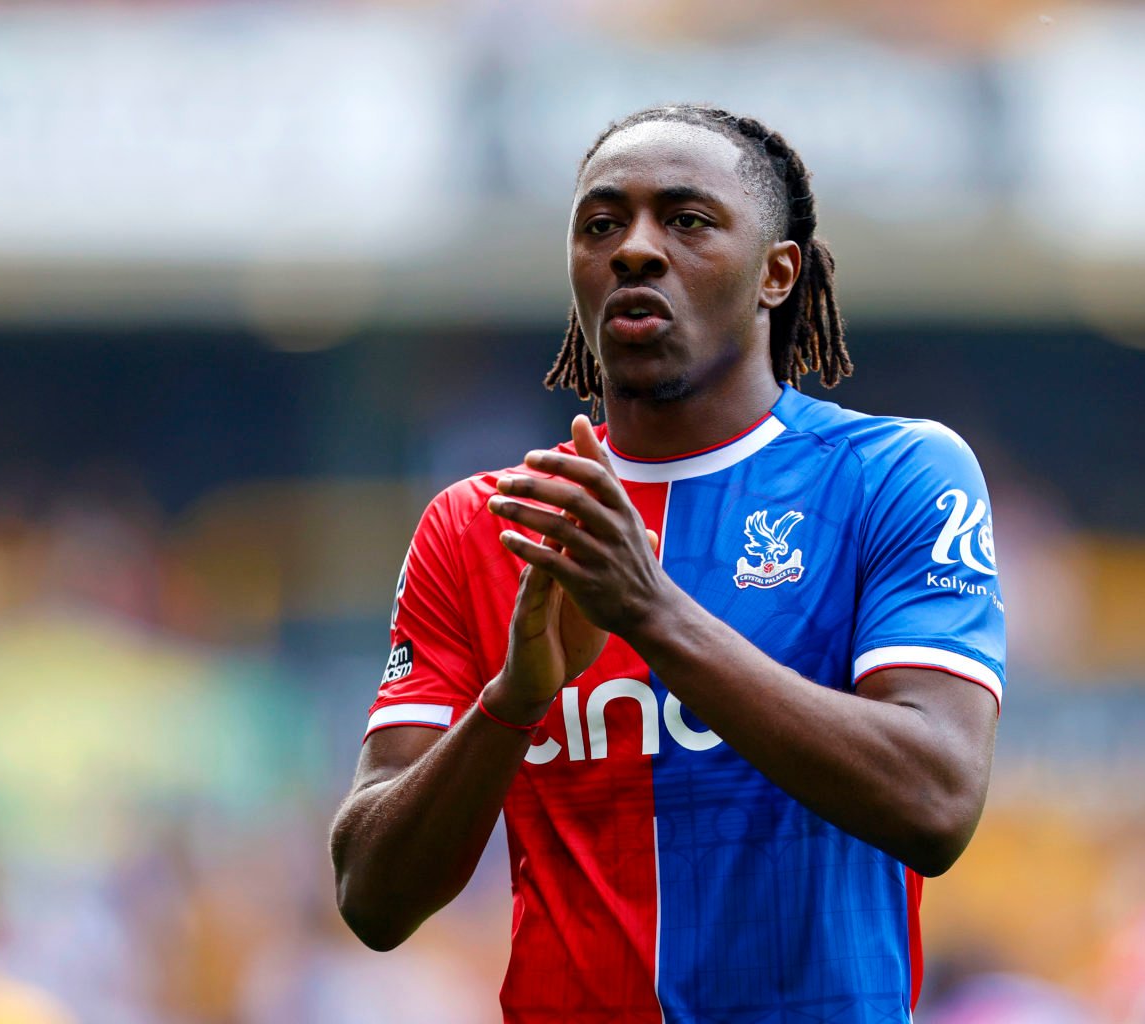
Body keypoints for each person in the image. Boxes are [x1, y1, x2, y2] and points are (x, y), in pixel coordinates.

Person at [330, 103, 1005, 1023]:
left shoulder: (891, 477)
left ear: (777, 273)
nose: (635, 250)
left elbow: (935, 802)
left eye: (686, 221)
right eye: (602, 225)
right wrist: (514, 702)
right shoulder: (484, 525)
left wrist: (650, 613)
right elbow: (371, 897)